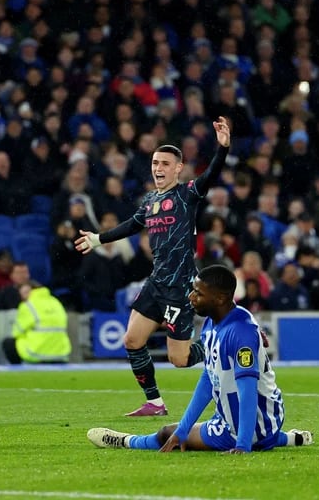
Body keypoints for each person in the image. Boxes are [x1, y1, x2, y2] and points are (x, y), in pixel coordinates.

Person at [75, 117, 232, 416]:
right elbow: (132, 225)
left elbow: (210, 176)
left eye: (164, 164)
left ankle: (219, 341)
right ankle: (155, 403)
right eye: (155, 163)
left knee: (180, 359)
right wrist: (98, 239)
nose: (158, 168)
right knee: (132, 340)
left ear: (177, 168)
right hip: (156, 282)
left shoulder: (187, 194)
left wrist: (222, 148)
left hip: (180, 287)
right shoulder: (150, 201)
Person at [86, 265, 313, 453]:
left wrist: (242, 445)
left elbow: (248, 391)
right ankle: (290, 438)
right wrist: (183, 430)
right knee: (182, 432)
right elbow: (209, 378)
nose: (191, 297)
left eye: (198, 293)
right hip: (249, 419)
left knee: (166, 432)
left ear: (221, 297)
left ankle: (125, 441)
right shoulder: (213, 323)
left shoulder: (240, 331)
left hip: (249, 425)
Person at [2, 282, 71, 364]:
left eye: (24, 293)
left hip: (36, 354)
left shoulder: (27, 305)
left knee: (8, 343)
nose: (22, 296)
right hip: (61, 354)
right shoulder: (56, 302)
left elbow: (16, 332)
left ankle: (18, 371)